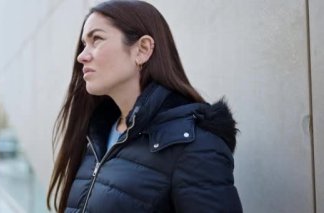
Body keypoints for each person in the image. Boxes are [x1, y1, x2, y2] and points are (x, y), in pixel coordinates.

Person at [47, 0, 242, 212]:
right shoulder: (94, 138)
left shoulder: (193, 145)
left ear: (142, 49)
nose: (82, 56)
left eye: (97, 39)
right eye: (85, 44)